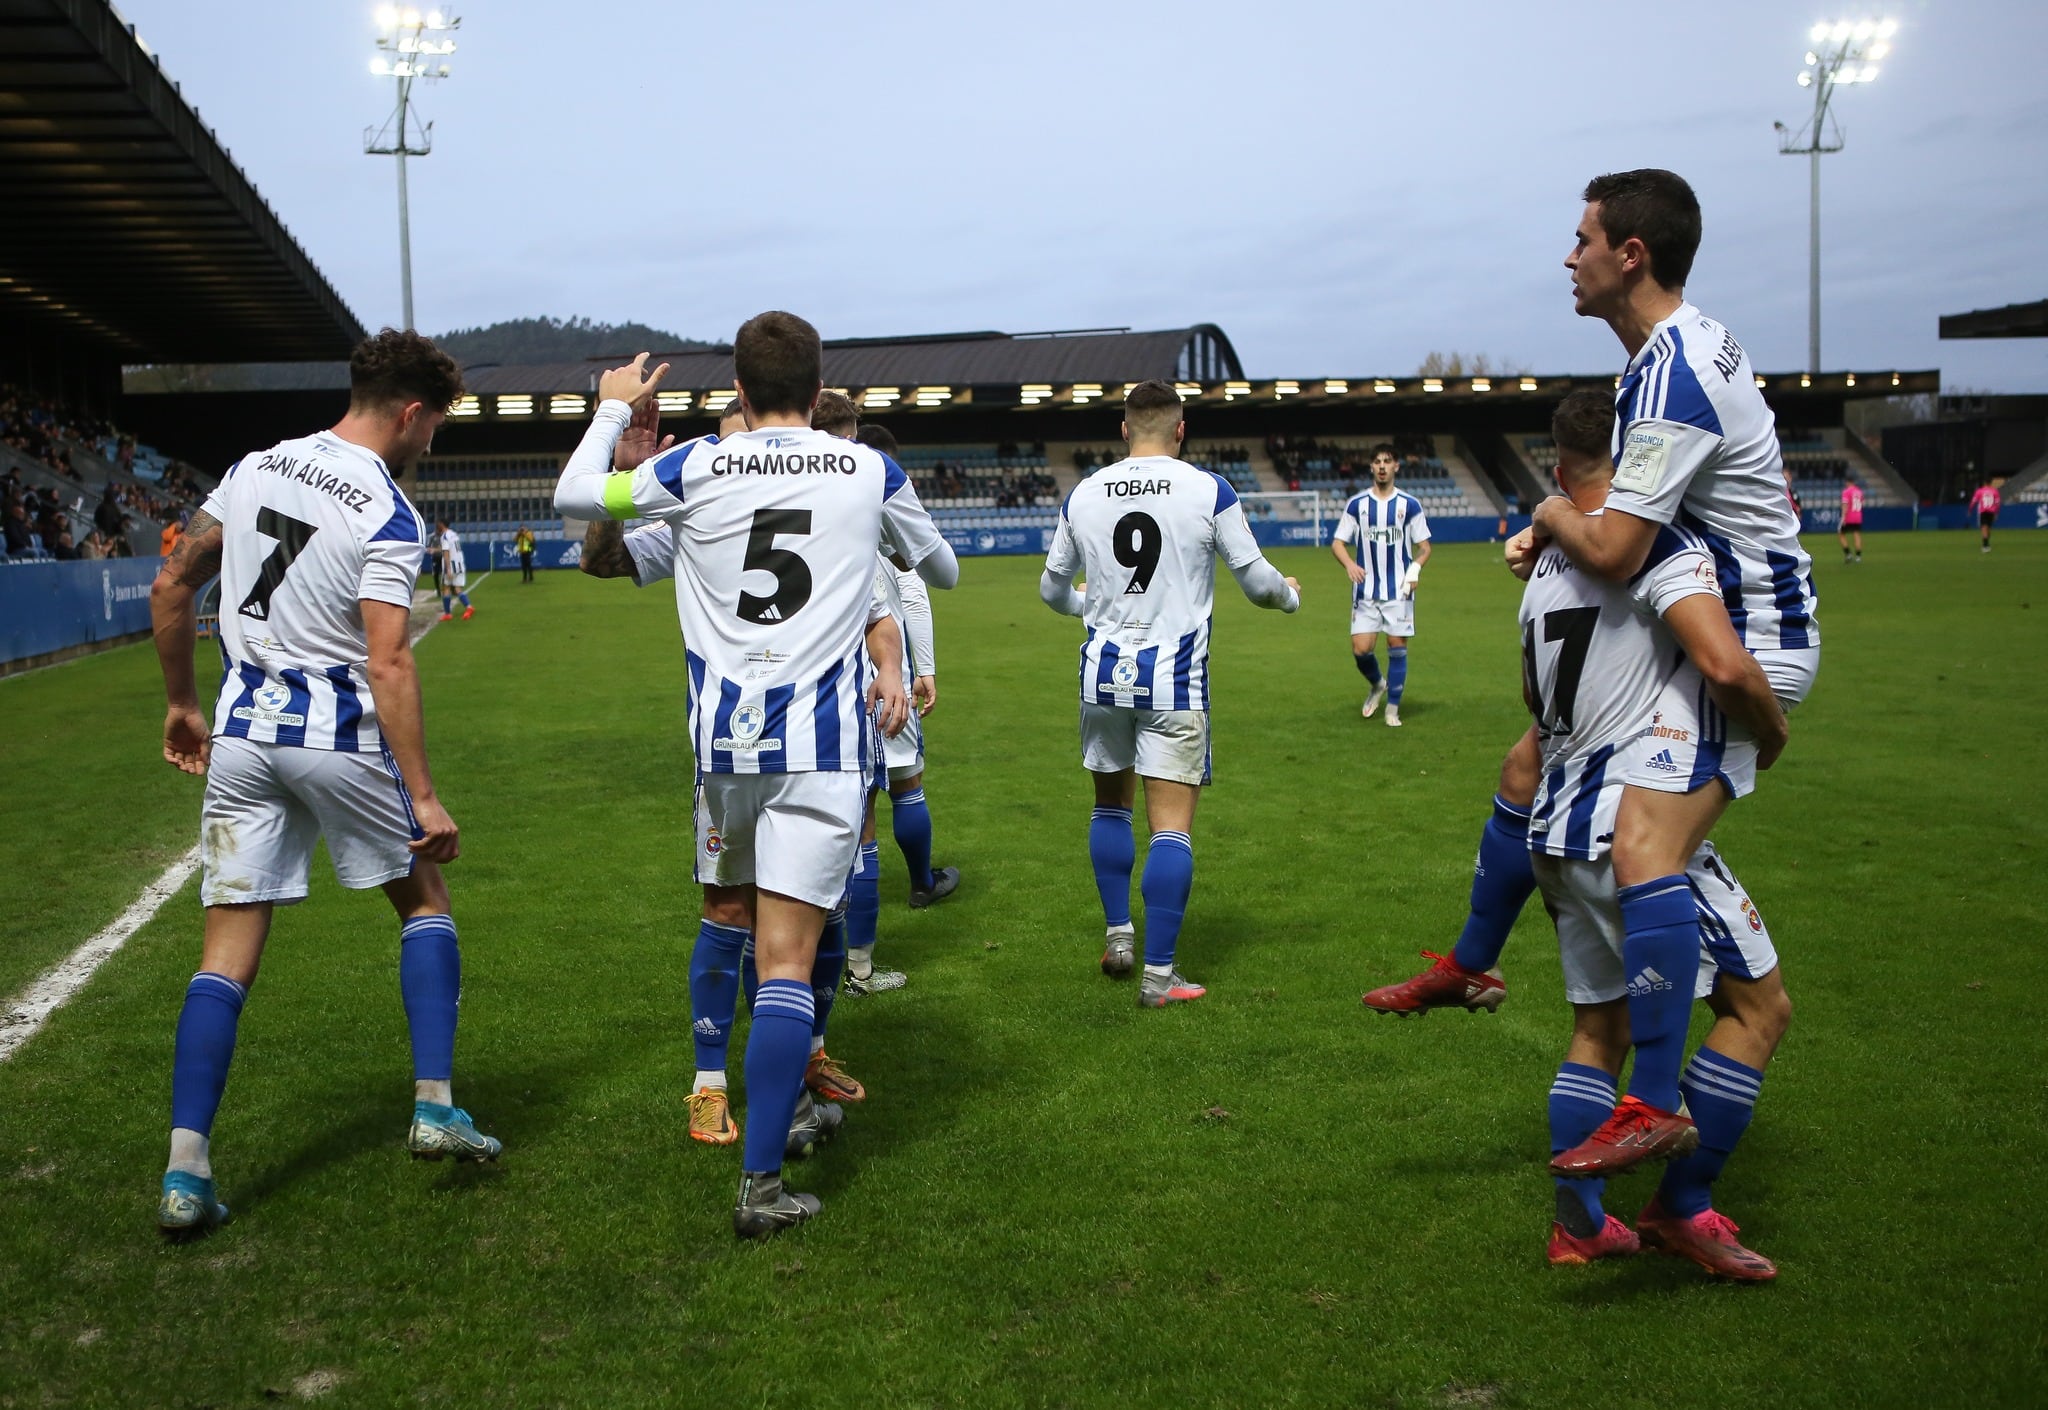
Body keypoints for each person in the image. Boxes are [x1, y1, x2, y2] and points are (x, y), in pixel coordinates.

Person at [553, 312, 957, 1238]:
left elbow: (581, 498)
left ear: (737, 389)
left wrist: (615, 414)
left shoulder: (695, 466)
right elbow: (942, 566)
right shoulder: (864, 467)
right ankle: (759, 1179)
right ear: (818, 395)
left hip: (724, 750)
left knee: (749, 924)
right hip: (820, 748)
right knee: (778, 951)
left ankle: (789, 1080)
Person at [145, 329, 494, 1237]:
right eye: (435, 428)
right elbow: (389, 662)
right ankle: (434, 1106)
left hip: (244, 735)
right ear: (412, 413)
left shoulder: (256, 466)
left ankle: (186, 1172)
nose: (431, 444)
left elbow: (174, 584)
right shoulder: (387, 510)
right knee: (425, 903)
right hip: (332, 731)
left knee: (224, 955)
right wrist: (422, 794)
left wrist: (184, 702)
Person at [1517, 168, 1818, 1173]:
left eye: (1581, 237)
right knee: (1636, 853)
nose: (1569, 255)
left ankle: (1647, 1100)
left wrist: (1550, 515)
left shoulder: (1671, 371)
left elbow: (1611, 552)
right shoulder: (1668, 358)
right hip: (1727, 634)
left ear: (1628, 254)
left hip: (1743, 639)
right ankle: (1677, 1193)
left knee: (1639, 839)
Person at [1518, 391, 1793, 1280]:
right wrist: (1767, 727)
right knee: (1759, 1010)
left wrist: (1542, 520)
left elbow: (1534, 710)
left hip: (1553, 828)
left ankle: (1579, 1227)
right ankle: (1681, 1205)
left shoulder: (1547, 564)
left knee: (1599, 1026)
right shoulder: (1662, 548)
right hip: (1628, 827)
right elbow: (1720, 662)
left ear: (1560, 470)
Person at [579, 399, 887, 1144]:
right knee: (729, 912)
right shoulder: (700, 508)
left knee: (822, 912)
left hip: (826, 735)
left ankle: (805, 1061)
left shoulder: (828, 503)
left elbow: (879, 607)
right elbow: (601, 558)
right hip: (735, 744)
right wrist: (623, 478)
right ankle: (710, 1083)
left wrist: (894, 669)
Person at [1040, 380, 1300, 1006]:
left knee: (1109, 808)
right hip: (1174, 680)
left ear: (1124, 430)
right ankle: (1158, 978)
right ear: (1181, 431)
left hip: (1102, 675)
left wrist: (1093, 610)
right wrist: (1290, 594)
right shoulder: (1208, 490)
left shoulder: (1084, 493)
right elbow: (1259, 584)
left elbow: (1051, 592)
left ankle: (1119, 936)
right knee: (1171, 829)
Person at [1330, 444, 1431, 727]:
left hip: (1399, 589)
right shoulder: (1358, 504)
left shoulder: (1409, 505)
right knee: (1361, 649)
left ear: (1396, 466)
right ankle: (1377, 684)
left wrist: (1415, 569)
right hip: (1366, 591)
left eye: (1387, 461)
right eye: (1377, 461)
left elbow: (1424, 547)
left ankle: (1392, 710)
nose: (1382, 466)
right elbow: (1338, 543)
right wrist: (1350, 564)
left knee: (1397, 645)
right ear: (1371, 467)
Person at [433, 518, 473, 620]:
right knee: (457, 588)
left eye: (438, 524)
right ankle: (469, 607)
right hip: (459, 564)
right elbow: (450, 548)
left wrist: (448, 569)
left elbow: (446, 552)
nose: (437, 526)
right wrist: (435, 550)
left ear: (442, 524)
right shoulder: (454, 534)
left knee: (446, 587)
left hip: (451, 565)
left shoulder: (444, 536)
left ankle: (447, 613)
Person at [1969, 477, 2000, 552]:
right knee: (1987, 528)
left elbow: (1974, 501)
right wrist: (1996, 513)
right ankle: (1986, 544)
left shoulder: (1980, 491)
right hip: (1991, 512)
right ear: (1991, 483)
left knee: (1984, 528)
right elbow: (1997, 503)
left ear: (1984, 483)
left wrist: (1970, 510)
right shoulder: (1995, 491)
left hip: (1983, 511)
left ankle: (1985, 546)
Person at [1838, 479, 1863, 563]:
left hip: (1849, 516)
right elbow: (1861, 503)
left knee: (1841, 534)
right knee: (1856, 534)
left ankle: (1848, 554)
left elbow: (1845, 504)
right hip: (1858, 516)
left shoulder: (1846, 492)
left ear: (1848, 482)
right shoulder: (1859, 492)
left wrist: (1843, 517)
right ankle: (1858, 556)